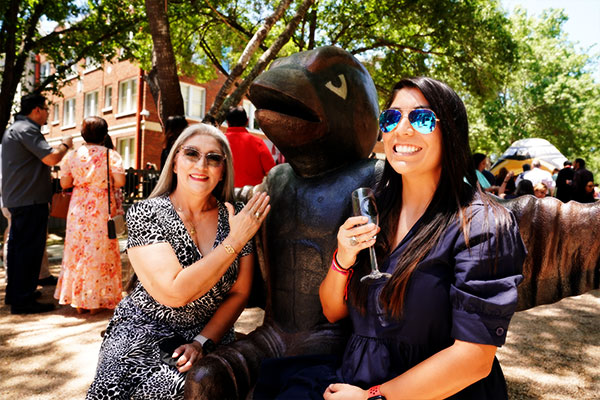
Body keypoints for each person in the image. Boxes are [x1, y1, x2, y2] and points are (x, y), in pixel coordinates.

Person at [257, 77, 526, 399]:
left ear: (450, 132)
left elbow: (473, 360)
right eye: (392, 117)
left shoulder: (482, 225)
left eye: (423, 118)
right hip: (354, 375)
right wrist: (343, 257)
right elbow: (333, 312)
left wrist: (373, 396)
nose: (403, 129)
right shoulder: (376, 208)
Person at [86, 123, 270, 399]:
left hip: (209, 332)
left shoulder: (235, 215)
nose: (202, 164)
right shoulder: (146, 213)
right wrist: (235, 241)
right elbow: (175, 292)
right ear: (174, 163)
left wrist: (202, 342)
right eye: (191, 153)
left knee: (179, 388)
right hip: (143, 328)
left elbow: (239, 292)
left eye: (213, 158)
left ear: (222, 171)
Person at [1, 93, 73, 314]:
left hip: (20, 198)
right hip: (29, 200)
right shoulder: (27, 129)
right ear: (37, 110)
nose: (47, 115)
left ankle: (17, 293)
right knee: (28, 251)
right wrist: (65, 145)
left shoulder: (15, 129)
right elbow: (51, 158)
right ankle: (23, 300)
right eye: (46, 110)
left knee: (18, 249)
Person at [54, 117, 125, 314]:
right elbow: (119, 181)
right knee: (99, 251)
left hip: (78, 207)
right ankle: (97, 300)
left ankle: (78, 301)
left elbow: (64, 184)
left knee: (77, 252)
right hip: (101, 207)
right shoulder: (111, 155)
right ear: (104, 134)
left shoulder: (71, 156)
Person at [225, 106, 275, 187]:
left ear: (227, 122)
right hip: (251, 196)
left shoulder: (219, 142)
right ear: (247, 121)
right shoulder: (257, 142)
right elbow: (271, 172)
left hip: (224, 195)